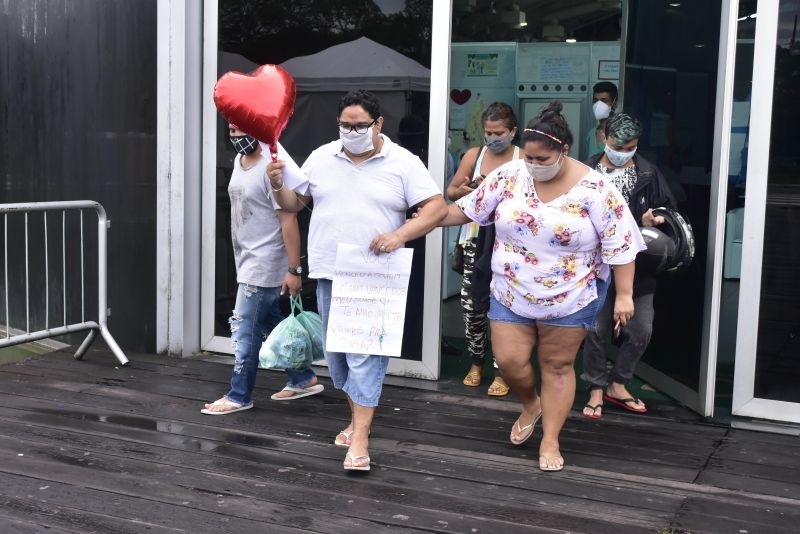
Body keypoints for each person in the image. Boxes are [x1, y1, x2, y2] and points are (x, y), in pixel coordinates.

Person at [437, 101, 645, 472]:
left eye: (540, 157)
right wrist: (420, 220)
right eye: (528, 156)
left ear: (563, 150)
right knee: (512, 362)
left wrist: (625, 296)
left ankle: (550, 438)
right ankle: (531, 403)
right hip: (510, 291)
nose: (532, 163)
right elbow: (466, 209)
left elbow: (621, 245)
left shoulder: (597, 188)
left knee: (558, 366)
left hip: (571, 296)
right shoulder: (511, 175)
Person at [267, 90, 448, 472]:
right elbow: (292, 204)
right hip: (330, 269)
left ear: (378, 123)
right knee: (339, 359)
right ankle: (355, 420)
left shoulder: (402, 161)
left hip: (376, 274)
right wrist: (277, 183)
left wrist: (400, 235)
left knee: (365, 353)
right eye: (345, 125)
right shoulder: (321, 156)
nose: (351, 132)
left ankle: (361, 439)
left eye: (359, 126)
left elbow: (436, 208)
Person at [201, 124, 324, 416]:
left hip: (265, 262)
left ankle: (239, 393)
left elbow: (289, 219)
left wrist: (294, 269)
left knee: (245, 332)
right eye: (230, 129)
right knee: (269, 323)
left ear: (257, 127)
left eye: (241, 128)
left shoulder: (273, 167)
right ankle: (302, 378)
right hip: (246, 259)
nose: (235, 135)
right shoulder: (239, 161)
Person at [581, 113, 677, 418]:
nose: (621, 151)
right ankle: (596, 386)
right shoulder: (587, 170)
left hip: (637, 267)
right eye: (615, 144)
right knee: (595, 329)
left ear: (637, 144)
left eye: (629, 146)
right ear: (604, 139)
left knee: (641, 330)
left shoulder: (648, 173)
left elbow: (669, 211)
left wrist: (653, 219)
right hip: (595, 266)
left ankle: (618, 383)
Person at [446, 102, 523, 396]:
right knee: (472, 306)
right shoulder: (474, 155)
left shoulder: (521, 157)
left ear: (513, 131)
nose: (493, 138)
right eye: (488, 132)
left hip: (511, 244)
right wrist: (468, 190)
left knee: (505, 307)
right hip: (475, 241)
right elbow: (452, 191)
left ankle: (503, 370)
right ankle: (477, 362)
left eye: (499, 132)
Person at [586, 82, 618, 158]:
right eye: (595, 100)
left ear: (614, 103)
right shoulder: (591, 133)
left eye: (604, 100)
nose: (598, 104)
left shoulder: (618, 134)